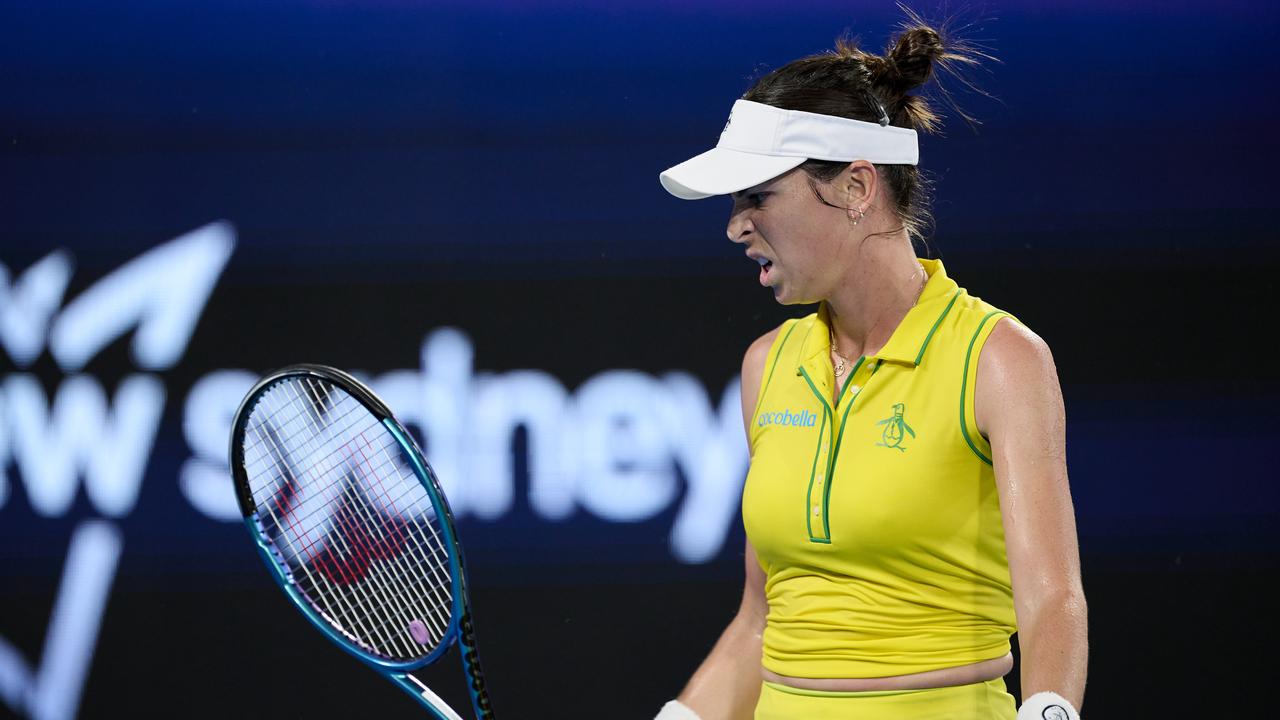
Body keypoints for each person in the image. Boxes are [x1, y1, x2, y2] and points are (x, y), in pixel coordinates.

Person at [652, 15, 1088, 720]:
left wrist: (1049, 712)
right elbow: (760, 624)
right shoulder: (767, 366)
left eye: (756, 196)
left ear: (856, 188)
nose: (736, 225)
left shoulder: (1000, 359)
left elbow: (1053, 602)